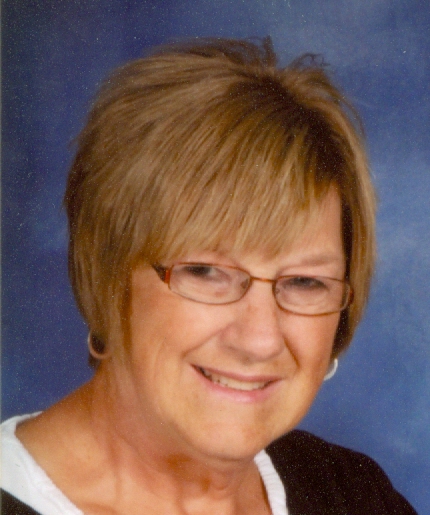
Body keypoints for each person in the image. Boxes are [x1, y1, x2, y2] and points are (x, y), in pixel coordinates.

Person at [1, 38, 417, 515]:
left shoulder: (353, 494)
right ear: (109, 272)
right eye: (206, 272)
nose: (260, 340)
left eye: (305, 282)